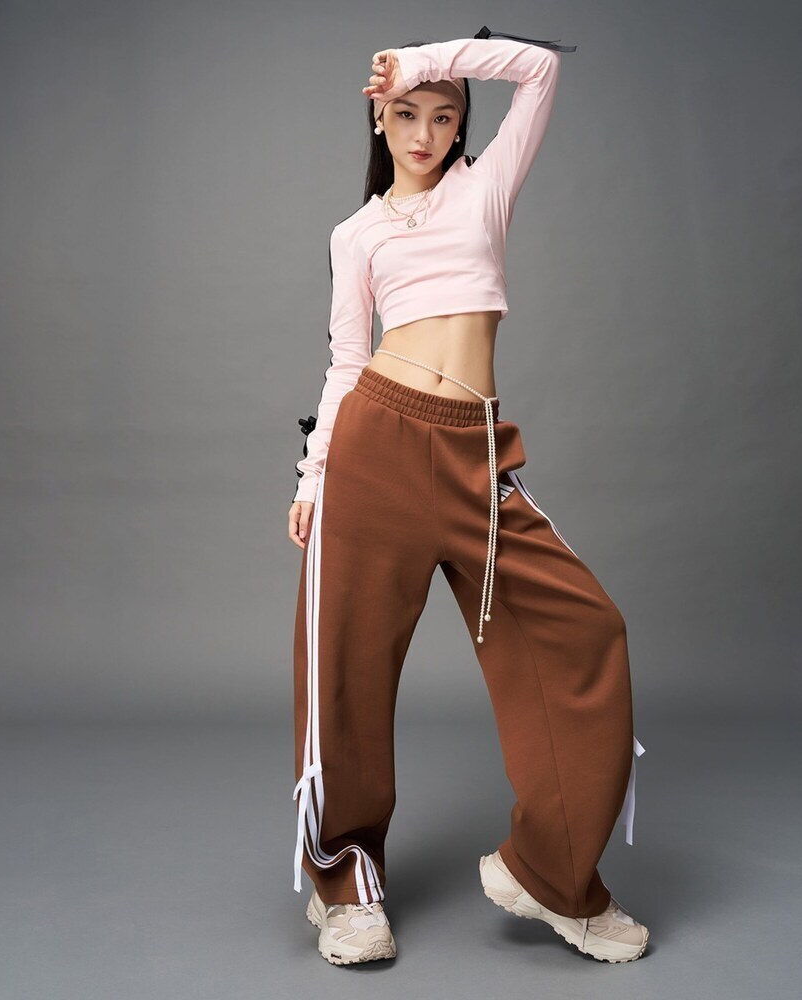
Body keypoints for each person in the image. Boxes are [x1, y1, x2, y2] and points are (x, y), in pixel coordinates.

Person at [287, 26, 649, 966]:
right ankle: (346, 889)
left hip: (474, 452)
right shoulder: (356, 234)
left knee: (585, 630)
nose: (424, 133)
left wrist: (421, 60)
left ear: (460, 127)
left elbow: (540, 67)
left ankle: (554, 877)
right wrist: (315, 474)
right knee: (346, 670)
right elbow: (345, 363)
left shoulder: (484, 189)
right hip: (375, 445)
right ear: (379, 118)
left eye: (443, 116)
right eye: (406, 113)